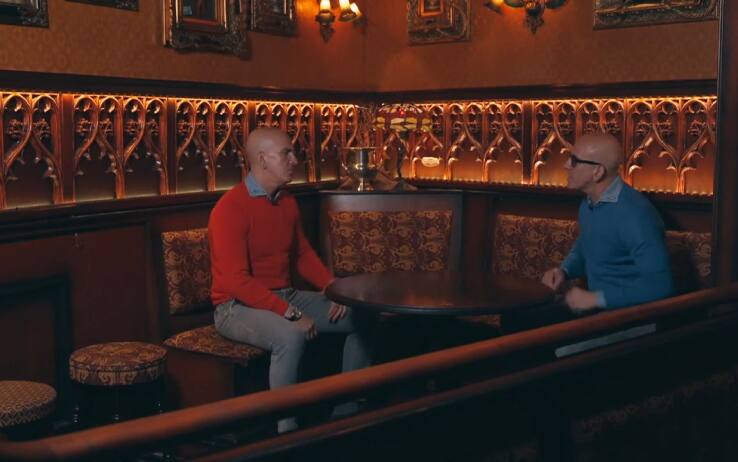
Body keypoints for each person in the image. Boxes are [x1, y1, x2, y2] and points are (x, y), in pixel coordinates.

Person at [208, 127, 373, 433]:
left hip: (284, 295)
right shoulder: (230, 208)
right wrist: (290, 313)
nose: (295, 160)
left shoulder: (287, 201)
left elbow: (302, 254)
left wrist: (331, 288)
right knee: (290, 336)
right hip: (235, 307)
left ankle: (348, 410)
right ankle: (286, 430)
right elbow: (235, 281)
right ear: (263, 159)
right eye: (286, 153)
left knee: (361, 315)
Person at [541, 132, 673, 313]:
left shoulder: (635, 214)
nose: (566, 165)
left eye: (574, 161)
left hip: (631, 318)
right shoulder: (589, 203)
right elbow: (585, 247)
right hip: (598, 314)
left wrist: (595, 299)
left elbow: (660, 285)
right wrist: (563, 271)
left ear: (597, 172)